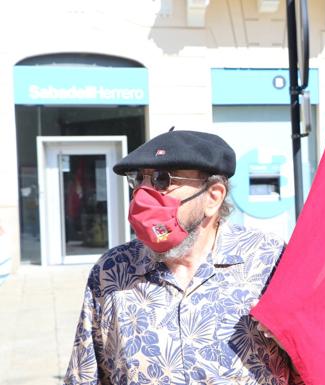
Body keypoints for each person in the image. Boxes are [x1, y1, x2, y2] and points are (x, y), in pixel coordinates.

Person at [64, 129, 300, 385]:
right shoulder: (113, 270)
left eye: (162, 180)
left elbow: (311, 366)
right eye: (138, 180)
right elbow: (85, 375)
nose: (142, 196)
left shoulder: (269, 261)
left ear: (213, 196)